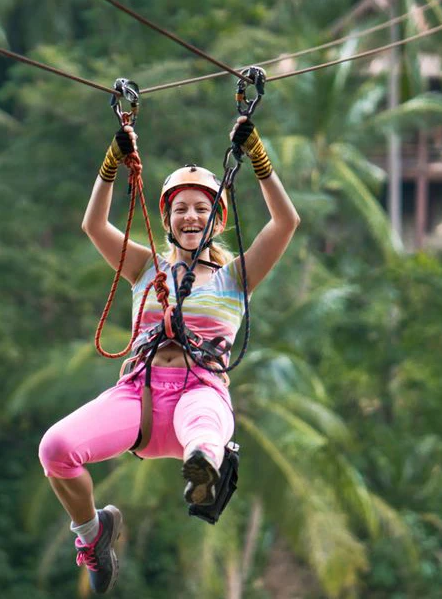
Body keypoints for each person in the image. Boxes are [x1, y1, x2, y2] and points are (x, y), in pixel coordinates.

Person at [38, 115, 299, 594]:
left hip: (200, 392)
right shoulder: (144, 268)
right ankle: (93, 535)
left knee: (201, 436)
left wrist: (259, 159)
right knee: (55, 450)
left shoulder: (236, 278)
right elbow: (93, 224)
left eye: (202, 208)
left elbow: (286, 222)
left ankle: (204, 471)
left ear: (216, 220)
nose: (191, 216)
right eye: (181, 209)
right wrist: (112, 162)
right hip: (137, 398)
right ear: (168, 219)